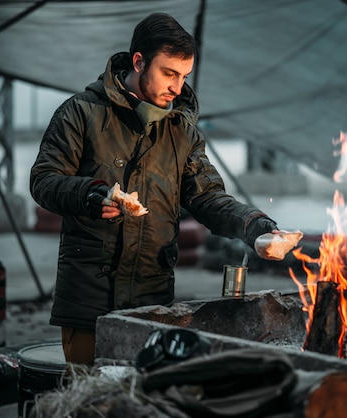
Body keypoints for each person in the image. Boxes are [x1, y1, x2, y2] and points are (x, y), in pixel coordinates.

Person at [30, 12, 282, 366]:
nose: (177, 87)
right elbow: (43, 180)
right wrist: (89, 194)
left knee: (148, 398)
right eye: (169, 73)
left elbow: (207, 196)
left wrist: (256, 226)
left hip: (153, 302)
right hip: (90, 301)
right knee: (90, 399)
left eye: (183, 76)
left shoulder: (182, 132)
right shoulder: (81, 114)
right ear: (138, 61)